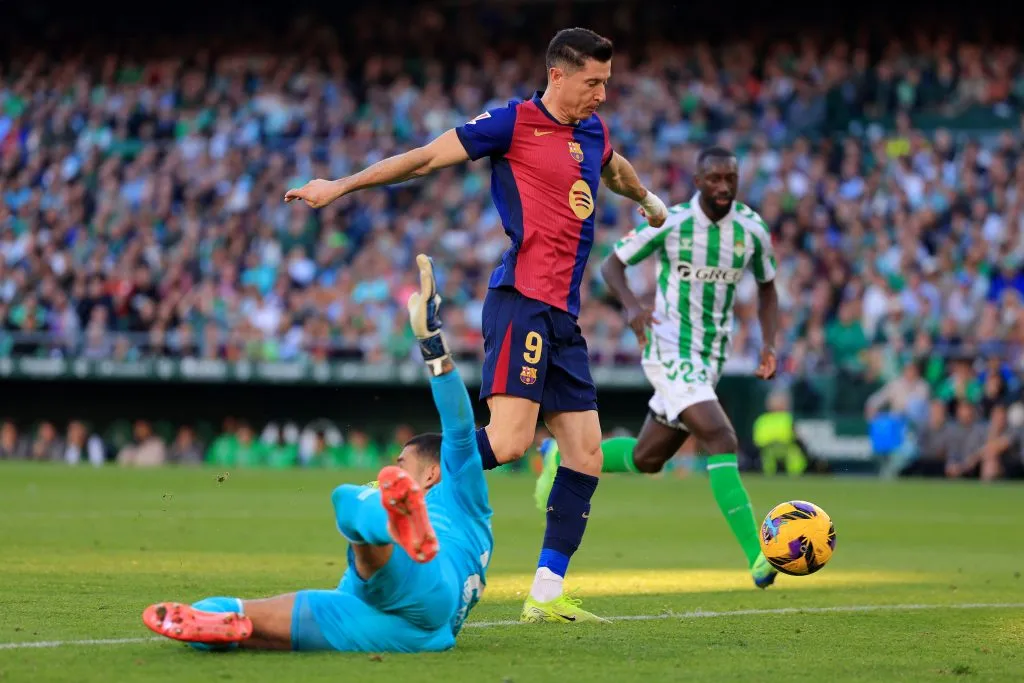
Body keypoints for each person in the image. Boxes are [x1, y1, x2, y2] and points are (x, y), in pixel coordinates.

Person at [285, 28, 668, 623]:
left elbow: (614, 169)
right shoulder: (512, 123)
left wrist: (646, 200)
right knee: (512, 442)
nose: (601, 94)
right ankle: (404, 483)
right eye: (592, 83)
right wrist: (340, 186)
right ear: (557, 75)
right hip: (522, 301)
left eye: (607, 83)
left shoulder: (592, 130)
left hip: (563, 315)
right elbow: (424, 158)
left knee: (586, 454)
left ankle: (545, 593)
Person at [142, 255, 494, 653]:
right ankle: (210, 617)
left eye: (402, 463)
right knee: (246, 621)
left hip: (426, 584)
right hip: (411, 632)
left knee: (347, 496)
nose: (391, 467)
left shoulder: (460, 493)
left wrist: (432, 343)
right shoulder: (474, 524)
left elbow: (459, 427)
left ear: (432, 473)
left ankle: (390, 523)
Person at [536, 147, 781, 588]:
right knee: (721, 436)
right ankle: (758, 555)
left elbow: (767, 288)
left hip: (710, 359)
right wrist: (631, 306)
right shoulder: (674, 222)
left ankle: (561, 455)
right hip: (668, 348)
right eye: (714, 179)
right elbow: (612, 265)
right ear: (697, 180)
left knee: (646, 458)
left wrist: (770, 343)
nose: (723, 187)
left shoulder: (752, 230)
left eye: (730, 178)